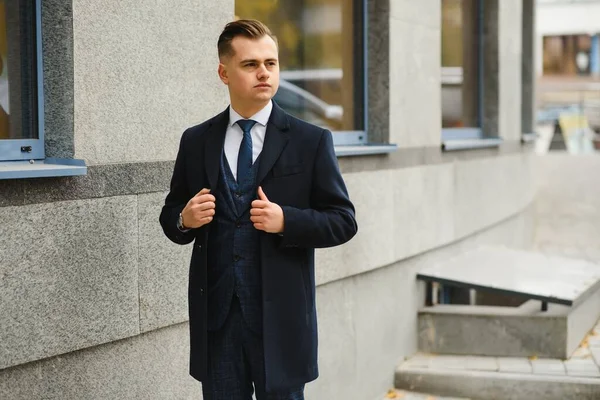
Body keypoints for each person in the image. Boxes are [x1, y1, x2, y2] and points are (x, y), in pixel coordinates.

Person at [160, 19, 357, 400]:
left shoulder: (310, 140)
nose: (264, 72)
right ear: (224, 73)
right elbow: (171, 214)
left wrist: (288, 221)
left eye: (271, 63)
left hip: (280, 322)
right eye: (250, 64)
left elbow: (343, 221)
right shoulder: (197, 140)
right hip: (217, 324)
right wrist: (184, 219)